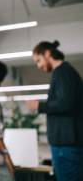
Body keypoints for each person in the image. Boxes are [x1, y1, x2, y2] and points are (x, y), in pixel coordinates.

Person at [26, 40, 83, 181]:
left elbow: (65, 103)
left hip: (67, 145)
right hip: (65, 144)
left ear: (47, 53)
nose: (38, 66)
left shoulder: (63, 72)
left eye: (39, 60)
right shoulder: (62, 72)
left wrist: (38, 106)